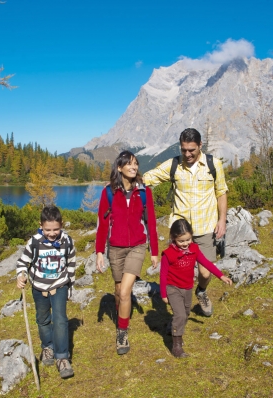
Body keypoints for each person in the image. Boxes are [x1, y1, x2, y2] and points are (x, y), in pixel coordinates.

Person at [143, 128, 228, 317]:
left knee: (205, 273)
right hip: (180, 230)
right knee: (177, 271)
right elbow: (148, 178)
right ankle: (178, 307)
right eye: (184, 150)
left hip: (206, 226)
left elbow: (221, 192)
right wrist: (121, 180)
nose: (187, 154)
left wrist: (222, 220)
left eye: (191, 150)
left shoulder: (214, 165)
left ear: (200, 146)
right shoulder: (174, 165)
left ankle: (201, 291)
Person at [95, 150, 159, 355]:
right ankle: (122, 311)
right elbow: (102, 225)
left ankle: (122, 332)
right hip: (115, 248)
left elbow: (151, 223)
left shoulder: (144, 192)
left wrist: (154, 251)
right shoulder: (108, 193)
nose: (134, 167)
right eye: (129, 164)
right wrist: (99, 252)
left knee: (124, 292)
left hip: (137, 246)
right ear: (119, 168)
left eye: (136, 164)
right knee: (118, 291)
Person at [16, 205, 76, 379]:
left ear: (61, 224)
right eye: (48, 229)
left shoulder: (67, 241)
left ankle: (62, 357)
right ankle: (47, 347)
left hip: (60, 286)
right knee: (42, 320)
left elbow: (71, 264)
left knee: (60, 321)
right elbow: (23, 262)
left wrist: (70, 286)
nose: (52, 233)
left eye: (56, 229)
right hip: (39, 288)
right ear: (41, 225)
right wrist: (21, 275)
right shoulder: (34, 242)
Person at [159, 219, 232, 357]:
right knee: (180, 314)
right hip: (173, 288)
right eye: (181, 241)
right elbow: (163, 275)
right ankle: (177, 345)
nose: (185, 243)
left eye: (188, 239)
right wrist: (163, 294)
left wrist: (221, 276)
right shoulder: (168, 254)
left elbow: (206, 263)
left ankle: (173, 327)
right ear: (174, 238)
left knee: (185, 314)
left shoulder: (194, 249)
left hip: (187, 288)